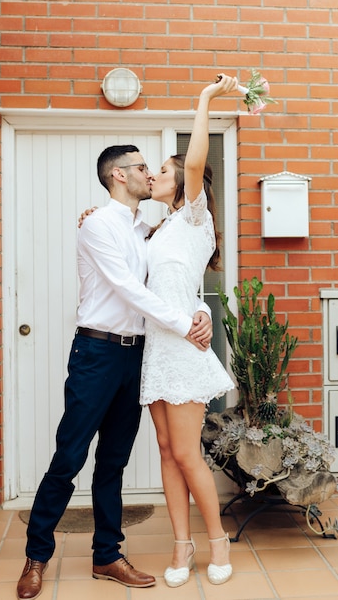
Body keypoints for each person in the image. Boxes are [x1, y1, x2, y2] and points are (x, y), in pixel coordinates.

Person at [16, 144, 213, 600]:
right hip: (96, 353)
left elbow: (172, 277)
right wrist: (186, 326)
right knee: (69, 458)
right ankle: (36, 557)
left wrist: (199, 307)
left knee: (113, 463)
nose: (151, 173)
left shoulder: (146, 227)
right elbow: (127, 288)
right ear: (118, 176)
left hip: (135, 356)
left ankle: (107, 554)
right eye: (144, 167)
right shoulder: (99, 225)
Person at [139, 73, 237, 587]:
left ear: (183, 184)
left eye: (162, 170)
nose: (154, 176)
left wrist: (204, 98)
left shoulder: (194, 217)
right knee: (164, 448)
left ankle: (217, 541)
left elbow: (196, 159)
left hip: (184, 347)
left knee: (185, 451)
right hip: (158, 346)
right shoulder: (154, 229)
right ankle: (182, 544)